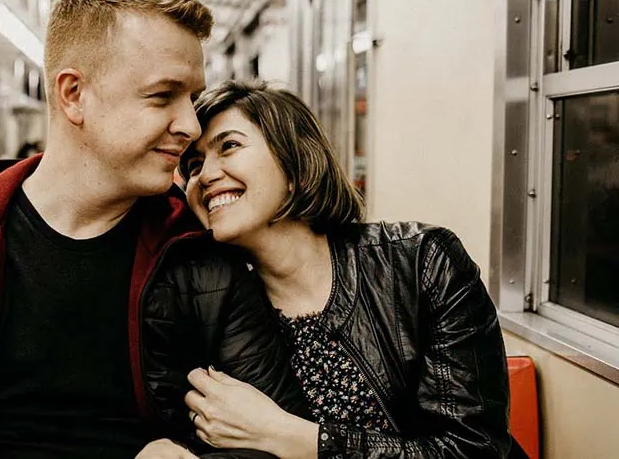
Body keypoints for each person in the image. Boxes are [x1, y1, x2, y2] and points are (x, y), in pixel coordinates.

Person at [0, 0, 304, 459]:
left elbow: (268, 439)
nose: (189, 125)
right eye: (163, 95)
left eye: (191, 98)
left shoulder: (199, 257)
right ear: (74, 95)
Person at [177, 81, 515, 458]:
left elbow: (475, 449)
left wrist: (291, 437)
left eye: (230, 146)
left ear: (296, 165)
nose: (205, 176)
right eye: (193, 165)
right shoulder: (214, 308)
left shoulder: (421, 262)